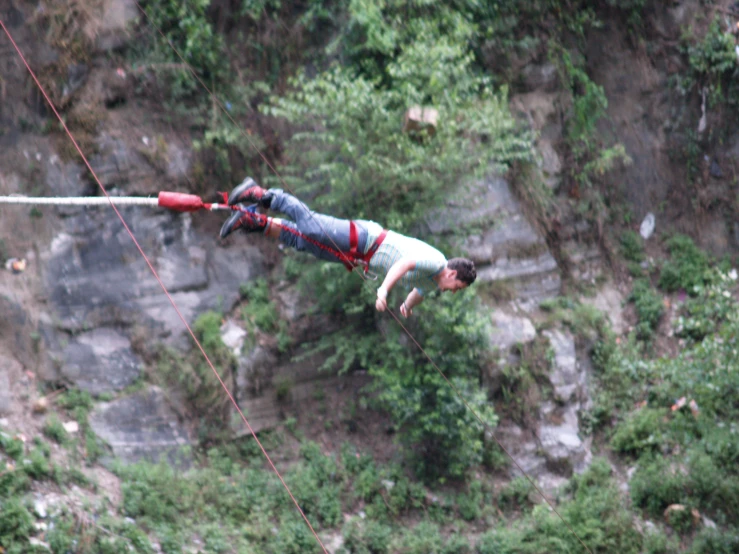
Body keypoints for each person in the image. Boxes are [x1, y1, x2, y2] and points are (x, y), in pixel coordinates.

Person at [219, 177, 476, 317]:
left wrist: (408, 306)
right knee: (311, 228)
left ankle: (252, 220)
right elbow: (405, 263)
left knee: (303, 241)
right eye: (457, 287)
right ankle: (262, 194)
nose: (454, 292)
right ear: (453, 274)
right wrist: (384, 291)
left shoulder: (433, 282)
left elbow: (418, 292)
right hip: (365, 238)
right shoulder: (438, 262)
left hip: (359, 256)